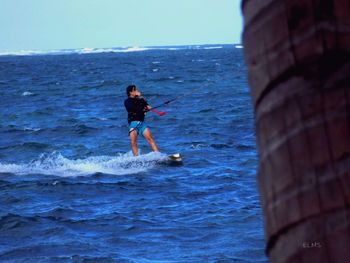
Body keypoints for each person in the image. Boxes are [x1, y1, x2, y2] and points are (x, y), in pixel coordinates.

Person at [124, 84, 159, 156]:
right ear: (131, 92)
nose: (137, 91)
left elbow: (146, 105)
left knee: (150, 139)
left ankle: (158, 155)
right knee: (133, 142)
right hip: (133, 124)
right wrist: (144, 109)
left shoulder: (140, 99)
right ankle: (136, 159)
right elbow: (134, 108)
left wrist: (147, 106)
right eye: (135, 90)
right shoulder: (127, 101)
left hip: (142, 124)